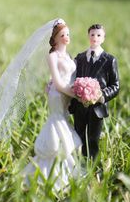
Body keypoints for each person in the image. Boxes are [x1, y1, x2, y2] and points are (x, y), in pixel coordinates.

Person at [23, 18, 82, 190]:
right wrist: (74, 93)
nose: (66, 37)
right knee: (58, 122)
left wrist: (79, 89)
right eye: (63, 35)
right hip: (58, 94)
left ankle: (65, 169)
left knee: (65, 120)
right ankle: (53, 168)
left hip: (67, 95)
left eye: (68, 34)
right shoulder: (53, 56)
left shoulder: (69, 56)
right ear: (55, 38)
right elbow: (57, 81)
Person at [69, 24, 120, 160]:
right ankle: (77, 162)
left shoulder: (109, 60)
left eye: (98, 35)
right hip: (80, 105)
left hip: (97, 107)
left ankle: (91, 164)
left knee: (93, 138)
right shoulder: (79, 58)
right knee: (78, 134)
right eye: (92, 35)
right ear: (88, 36)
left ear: (103, 38)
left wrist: (101, 96)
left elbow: (115, 85)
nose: (95, 38)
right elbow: (72, 78)